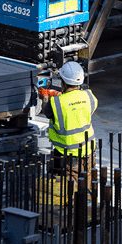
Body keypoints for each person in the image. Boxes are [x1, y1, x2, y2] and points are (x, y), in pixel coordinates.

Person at [40, 60, 97, 188]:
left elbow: (47, 112)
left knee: (69, 189)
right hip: (89, 151)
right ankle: (88, 204)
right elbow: (79, 108)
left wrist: (44, 98)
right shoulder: (89, 96)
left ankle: (73, 206)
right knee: (88, 183)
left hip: (67, 154)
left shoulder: (56, 103)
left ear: (63, 82)